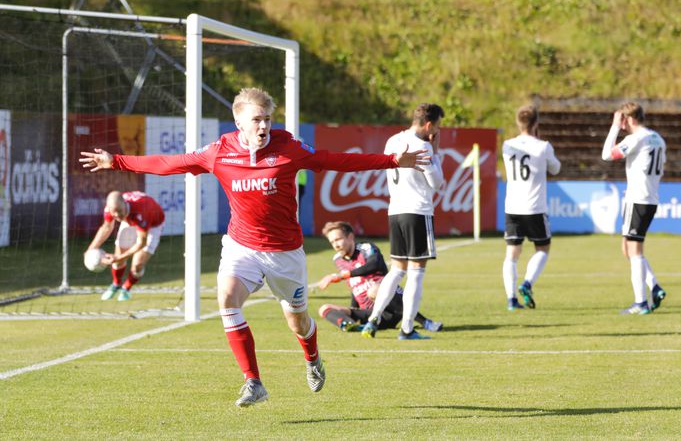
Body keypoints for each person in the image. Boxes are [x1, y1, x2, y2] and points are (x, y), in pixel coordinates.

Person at [80, 88, 430, 407]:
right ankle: (253, 381)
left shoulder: (288, 147)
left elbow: (334, 160)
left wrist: (392, 161)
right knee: (227, 300)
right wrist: (118, 161)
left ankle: (312, 359)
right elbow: (171, 163)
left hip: (285, 253)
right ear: (239, 123)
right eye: (256, 120)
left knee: (297, 321)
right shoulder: (219, 152)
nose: (263, 126)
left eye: (267, 119)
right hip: (241, 246)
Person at [361, 103, 444, 340]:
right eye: (437, 126)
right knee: (417, 271)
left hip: (395, 211)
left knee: (397, 270)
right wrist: (436, 152)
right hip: (418, 211)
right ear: (429, 125)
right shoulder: (424, 147)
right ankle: (407, 329)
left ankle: (373, 319)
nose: (438, 131)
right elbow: (437, 184)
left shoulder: (393, 140)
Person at [318, 221, 443, 333]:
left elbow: (374, 264)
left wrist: (342, 276)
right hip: (368, 313)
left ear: (350, 236)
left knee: (374, 290)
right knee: (324, 308)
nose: (336, 245)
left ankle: (425, 322)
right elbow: (354, 285)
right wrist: (353, 308)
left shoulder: (366, 248)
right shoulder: (338, 260)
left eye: (338, 239)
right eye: (332, 242)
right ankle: (350, 326)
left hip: (390, 309)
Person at [602, 102, 667, 315]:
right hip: (650, 199)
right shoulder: (658, 138)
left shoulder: (636, 138)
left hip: (637, 199)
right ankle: (654, 287)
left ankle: (640, 303)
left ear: (628, 119)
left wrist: (613, 127)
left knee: (635, 250)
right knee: (627, 249)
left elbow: (607, 155)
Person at [501, 105, 561, 311]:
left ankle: (511, 300)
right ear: (536, 123)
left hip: (513, 206)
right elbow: (556, 168)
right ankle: (527, 283)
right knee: (543, 248)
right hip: (535, 207)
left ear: (518, 123)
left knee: (512, 254)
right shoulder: (543, 146)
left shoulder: (507, 145)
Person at [86, 190, 165, 301]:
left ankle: (126, 289)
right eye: (114, 212)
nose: (117, 215)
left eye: (119, 211)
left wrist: (118, 257)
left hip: (152, 226)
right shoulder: (111, 208)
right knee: (119, 262)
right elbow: (106, 228)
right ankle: (116, 284)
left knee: (137, 265)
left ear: (125, 204)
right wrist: (90, 249)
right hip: (129, 221)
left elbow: (141, 243)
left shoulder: (141, 211)